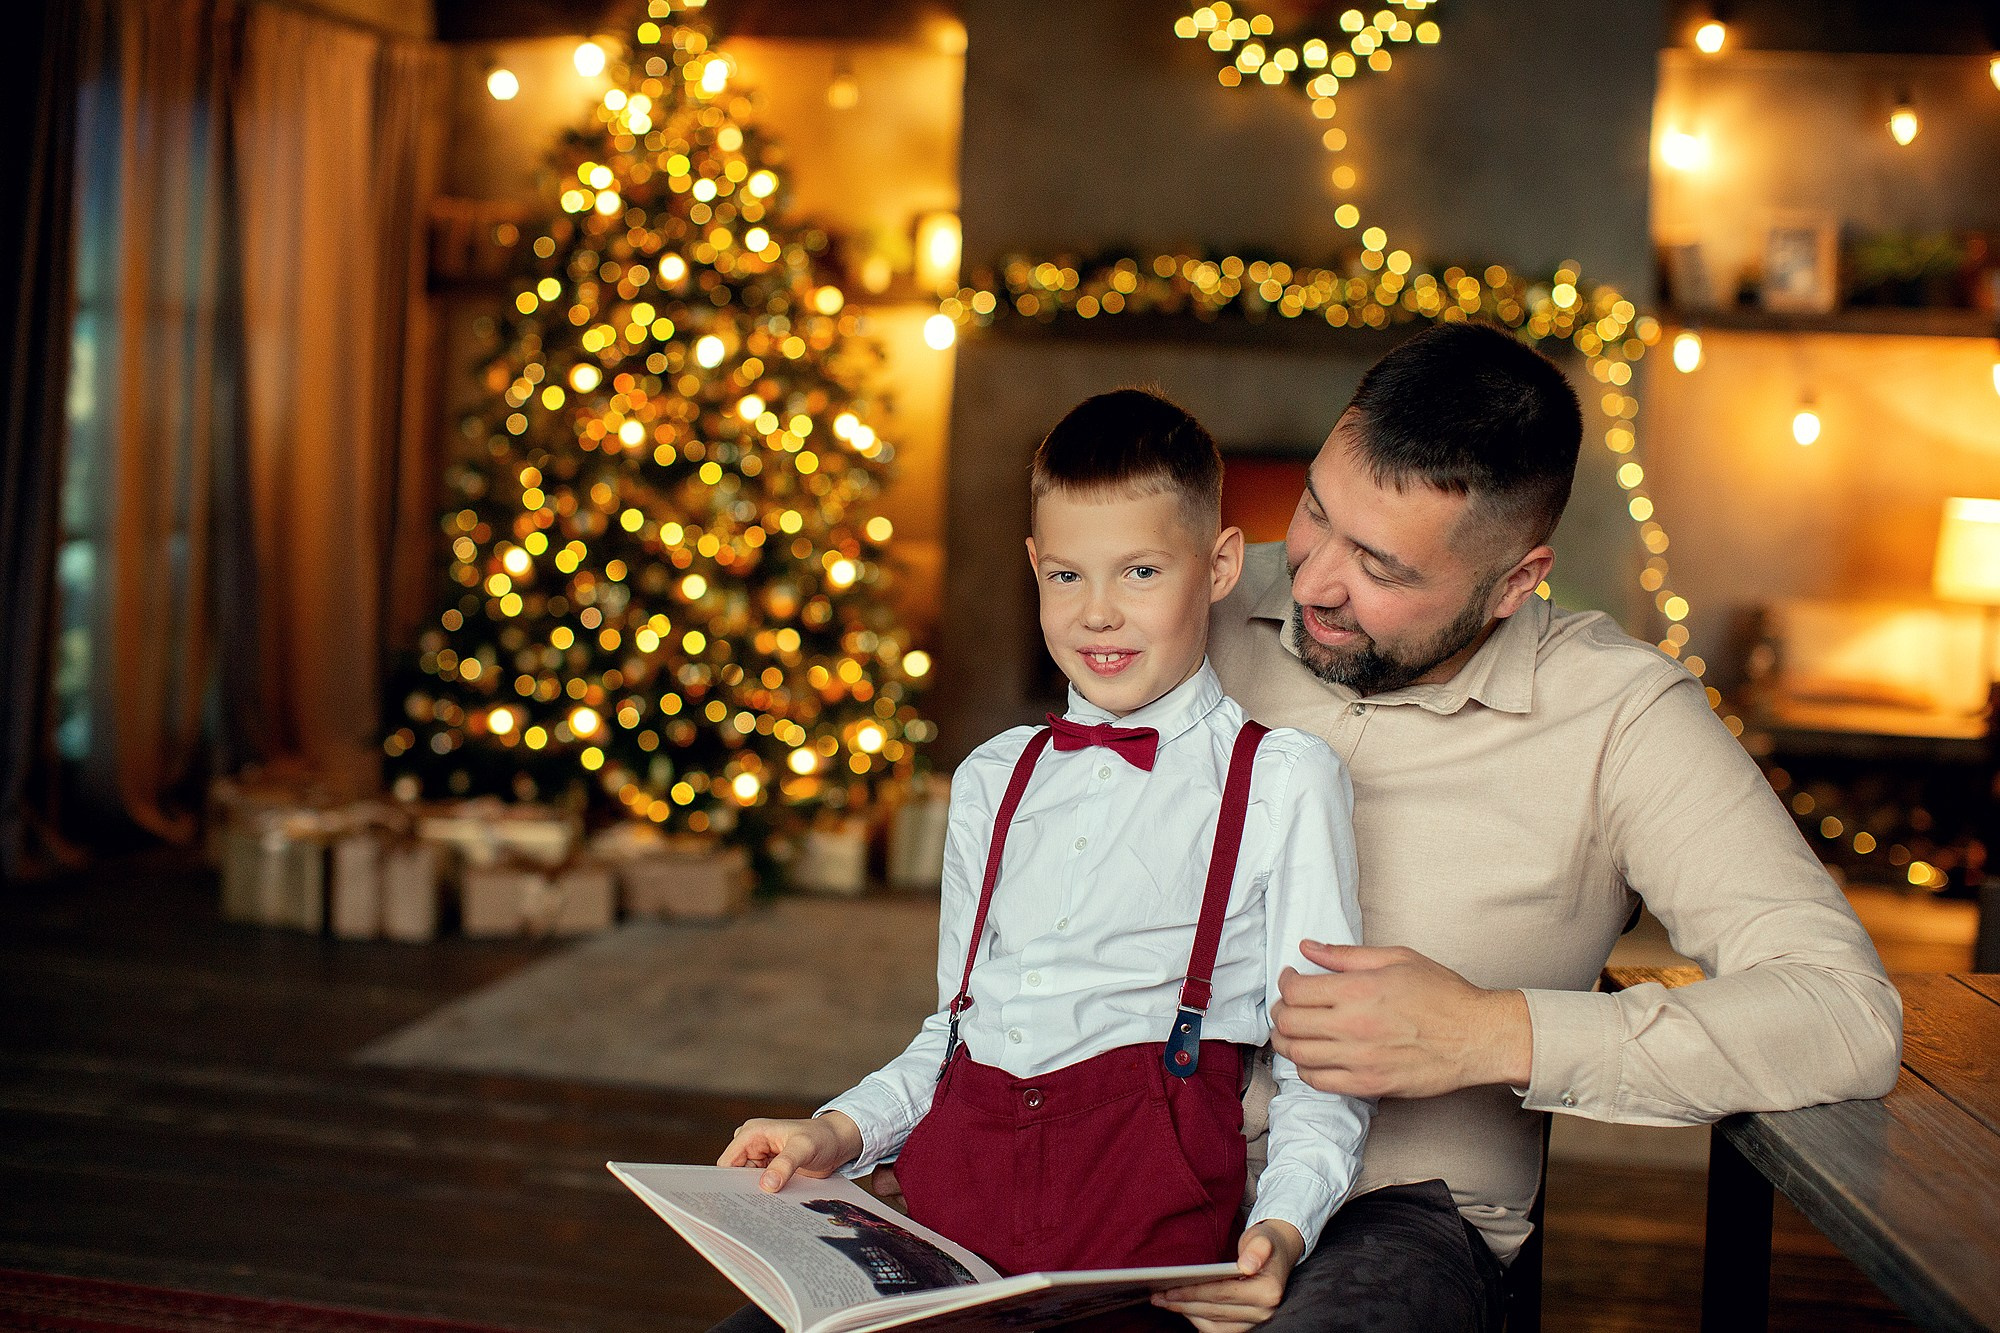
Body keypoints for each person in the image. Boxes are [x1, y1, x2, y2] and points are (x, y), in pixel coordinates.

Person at [1153, 321, 1902, 1332]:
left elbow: (1842, 1014)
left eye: (1380, 566)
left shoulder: (1617, 718)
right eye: (1312, 514)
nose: (1313, 581)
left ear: (1514, 582)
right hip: (1127, 1156)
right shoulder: (1196, 615)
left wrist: (1492, 1030)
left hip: (1394, 1228)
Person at [715, 389, 1373, 1324]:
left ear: (1220, 564)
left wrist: (1283, 1228)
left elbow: (1323, 1070)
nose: (1098, 614)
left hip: (1133, 1249)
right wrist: (836, 1131)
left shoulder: (1282, 779)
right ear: (1032, 566)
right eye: (1067, 576)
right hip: (952, 1223)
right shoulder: (992, 777)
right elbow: (954, 1035)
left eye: (1140, 571)